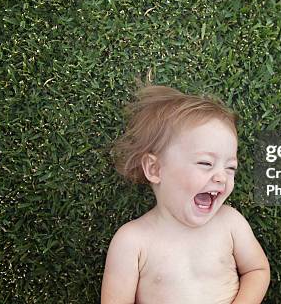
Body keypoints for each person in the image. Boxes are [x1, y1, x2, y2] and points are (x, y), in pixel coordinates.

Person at [101, 85, 270, 304]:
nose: (221, 177)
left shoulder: (230, 223)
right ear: (155, 169)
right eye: (205, 163)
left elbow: (257, 269)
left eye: (230, 167)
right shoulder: (132, 241)